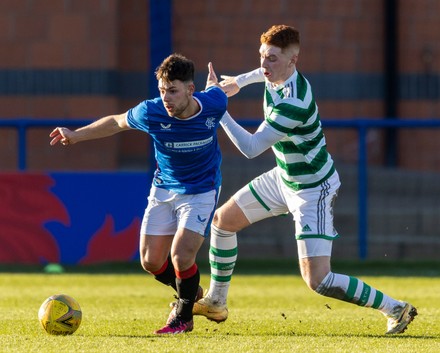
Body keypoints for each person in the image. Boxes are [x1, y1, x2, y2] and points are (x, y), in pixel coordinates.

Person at [193, 24, 417, 335]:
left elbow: (251, 148)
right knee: (223, 221)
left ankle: (395, 307)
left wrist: (218, 110)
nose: (264, 65)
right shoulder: (276, 75)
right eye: (262, 56)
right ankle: (216, 300)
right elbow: (260, 75)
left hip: (313, 188)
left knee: (319, 280)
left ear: (292, 61)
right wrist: (238, 83)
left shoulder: (293, 103)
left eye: (272, 58)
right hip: (284, 177)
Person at [49, 53, 228, 334]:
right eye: (161, 90)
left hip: (201, 191)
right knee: (151, 261)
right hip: (164, 189)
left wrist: (217, 86)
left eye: (172, 90)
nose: (166, 98)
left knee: (181, 255)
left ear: (190, 90)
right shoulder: (152, 111)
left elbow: (220, 91)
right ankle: (190, 291)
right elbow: (116, 121)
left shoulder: (214, 105)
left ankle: (182, 318)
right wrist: (76, 134)